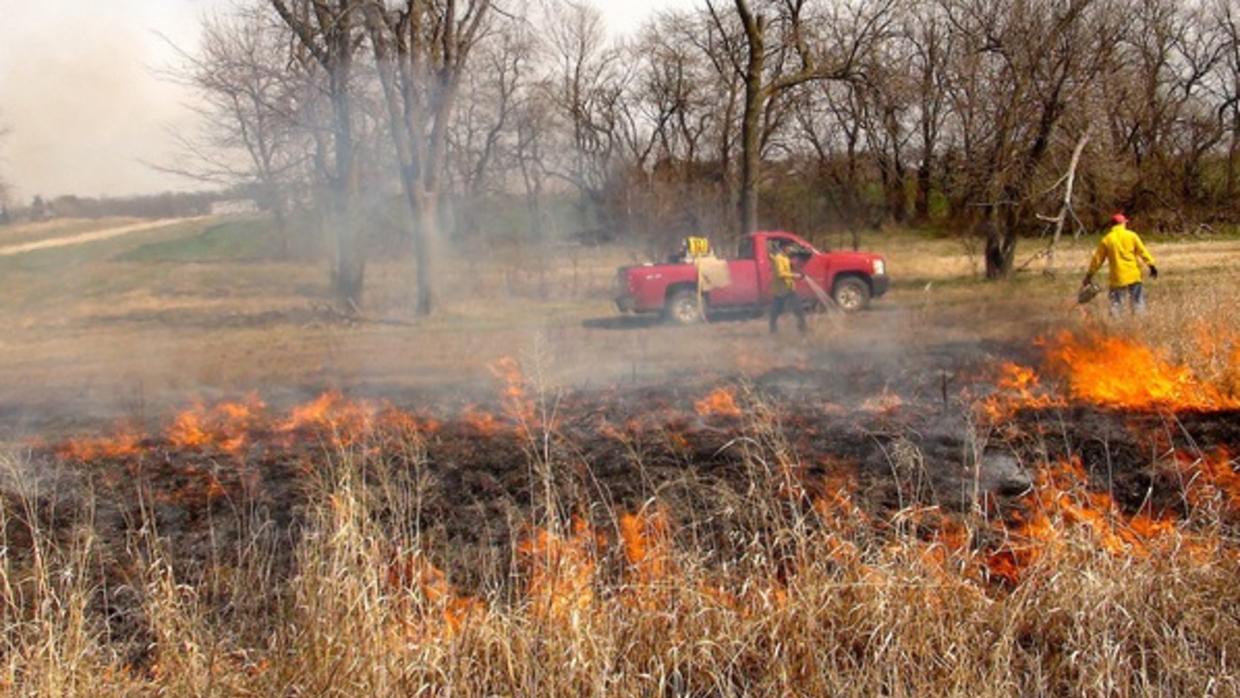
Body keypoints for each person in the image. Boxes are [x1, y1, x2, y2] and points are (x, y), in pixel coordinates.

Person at [1082, 212, 1158, 316]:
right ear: (1123, 224)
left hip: (1117, 277)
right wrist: (1151, 265)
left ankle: (1115, 327)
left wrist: (1089, 275)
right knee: (1138, 302)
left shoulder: (1107, 239)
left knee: (1116, 304)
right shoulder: (1132, 236)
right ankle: (1141, 325)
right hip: (1134, 275)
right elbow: (1143, 251)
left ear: (1112, 225)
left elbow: (1097, 260)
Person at [769, 239, 807, 334]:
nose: (791, 249)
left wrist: (796, 271)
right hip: (781, 290)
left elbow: (788, 269)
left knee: (798, 310)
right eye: (789, 247)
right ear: (783, 247)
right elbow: (780, 274)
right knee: (776, 312)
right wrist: (795, 276)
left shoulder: (786, 258)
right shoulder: (778, 258)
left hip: (789, 289)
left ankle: (803, 329)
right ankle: (773, 330)